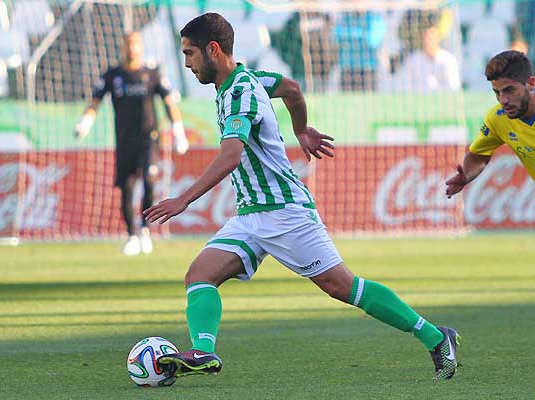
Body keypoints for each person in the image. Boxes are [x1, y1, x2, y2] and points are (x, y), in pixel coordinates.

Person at [144, 13, 459, 381]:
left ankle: (437, 337)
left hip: (285, 213)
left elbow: (231, 156)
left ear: (213, 49)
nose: (186, 62)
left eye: (190, 53)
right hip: (250, 216)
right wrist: (301, 129)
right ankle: (203, 352)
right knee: (199, 275)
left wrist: (183, 199)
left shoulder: (241, 92)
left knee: (344, 287)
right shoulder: (248, 80)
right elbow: (292, 88)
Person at [75, 32, 189, 256]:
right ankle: (131, 235)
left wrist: (179, 131)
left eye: (135, 44)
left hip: (149, 140)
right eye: (128, 44)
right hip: (124, 142)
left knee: (149, 182)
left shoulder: (152, 73)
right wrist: (85, 122)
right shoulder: (112, 75)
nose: (131, 49)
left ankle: (145, 232)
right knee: (126, 190)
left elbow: (168, 102)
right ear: (122, 47)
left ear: (141, 46)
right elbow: (95, 101)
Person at [446, 50, 535, 197]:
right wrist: (467, 175)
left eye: (509, 90)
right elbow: (478, 155)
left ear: (531, 84)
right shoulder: (498, 118)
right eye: (497, 92)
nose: (503, 100)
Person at [391, 24, 460, 92]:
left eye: (430, 38)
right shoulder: (414, 59)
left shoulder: (448, 60)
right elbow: (406, 86)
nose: (427, 41)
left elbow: (453, 87)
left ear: (437, 39)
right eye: (424, 37)